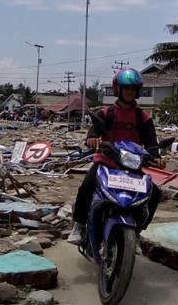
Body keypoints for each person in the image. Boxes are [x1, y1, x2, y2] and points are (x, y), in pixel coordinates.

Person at [67, 68, 163, 245]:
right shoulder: (106, 113)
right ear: (118, 89)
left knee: (154, 193)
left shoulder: (143, 117)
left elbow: (151, 141)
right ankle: (79, 225)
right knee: (87, 186)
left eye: (132, 89)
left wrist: (156, 156)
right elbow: (94, 129)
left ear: (137, 91)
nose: (129, 92)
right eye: (126, 88)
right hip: (106, 162)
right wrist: (92, 138)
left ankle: (138, 231)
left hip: (132, 166)